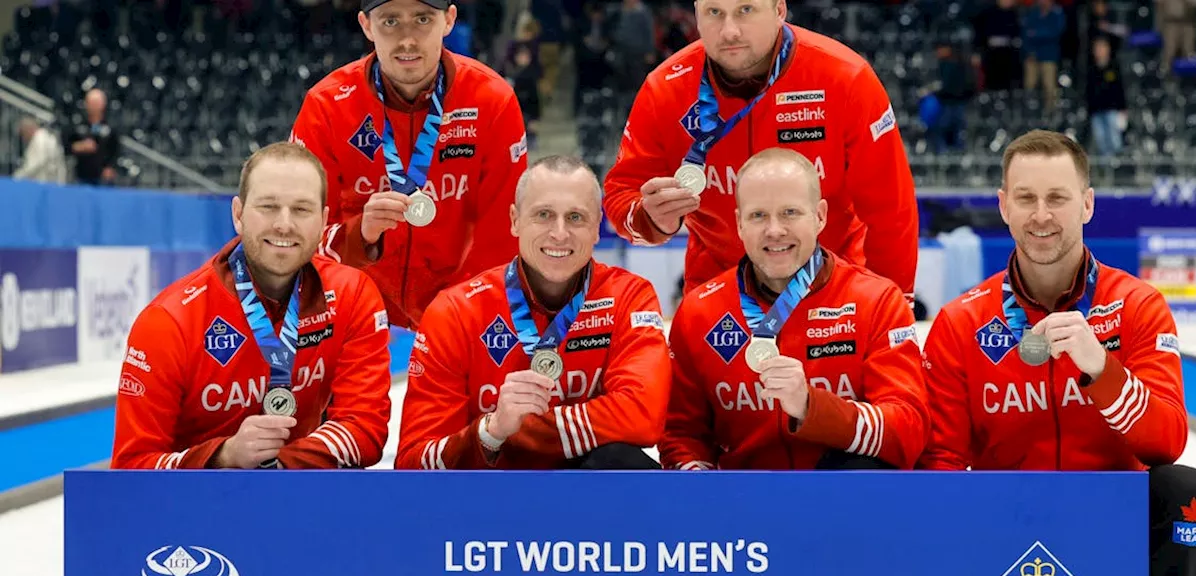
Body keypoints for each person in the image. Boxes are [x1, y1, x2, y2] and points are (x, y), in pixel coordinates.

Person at [918, 130, 1196, 576]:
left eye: (1057, 198)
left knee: (1188, 496)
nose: (1042, 215)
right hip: (1003, 520)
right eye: (1027, 199)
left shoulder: (1136, 307)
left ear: (1086, 203)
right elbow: (942, 459)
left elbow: (1167, 441)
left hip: (1110, 517)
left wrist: (1103, 369)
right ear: (1003, 206)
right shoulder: (962, 321)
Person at [602, 0, 919, 306]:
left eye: (745, 10)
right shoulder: (665, 89)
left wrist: (891, 305)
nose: (729, 31)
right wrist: (650, 218)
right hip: (718, 299)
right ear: (696, 16)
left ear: (779, 10)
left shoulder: (845, 78)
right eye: (715, 12)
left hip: (837, 292)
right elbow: (620, 195)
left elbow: (891, 211)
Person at [111, 142, 393, 470]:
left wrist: (275, 467)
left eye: (302, 209)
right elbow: (130, 468)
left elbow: (364, 428)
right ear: (238, 214)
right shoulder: (169, 322)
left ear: (323, 220)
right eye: (268, 207)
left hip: (304, 502)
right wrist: (224, 457)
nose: (284, 224)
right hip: (197, 512)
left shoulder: (352, 295)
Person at [659, 148, 928, 471]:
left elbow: (909, 430)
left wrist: (810, 405)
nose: (774, 230)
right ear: (739, 224)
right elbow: (680, 433)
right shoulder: (700, 311)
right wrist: (698, 479)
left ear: (820, 216)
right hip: (740, 505)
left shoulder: (877, 301)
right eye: (758, 215)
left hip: (843, 506)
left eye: (790, 212)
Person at [396, 155, 670, 470]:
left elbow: (642, 417)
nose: (559, 233)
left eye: (576, 218)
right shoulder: (456, 311)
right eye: (543, 214)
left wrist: (506, 434)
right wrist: (492, 430)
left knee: (622, 464)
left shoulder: (628, 297)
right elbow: (413, 462)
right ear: (514, 220)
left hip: (590, 503)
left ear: (597, 228)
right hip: (488, 502)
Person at [290, 0, 528, 330]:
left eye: (422, 19)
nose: (407, 40)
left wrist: (461, 315)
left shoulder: (491, 100)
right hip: (351, 311)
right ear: (366, 25)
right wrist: (360, 235)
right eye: (390, 22)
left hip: (457, 311)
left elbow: (501, 238)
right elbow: (299, 233)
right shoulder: (326, 106)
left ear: (449, 19)